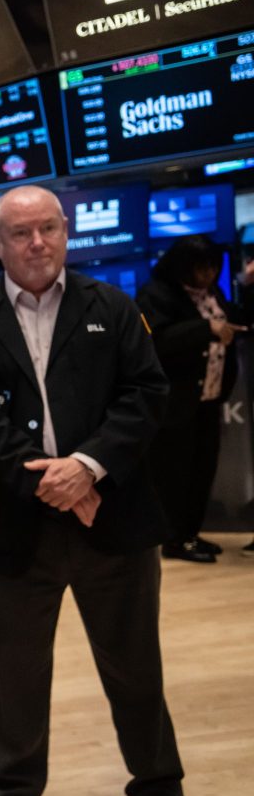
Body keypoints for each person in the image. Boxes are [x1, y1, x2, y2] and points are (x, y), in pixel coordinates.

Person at [0, 185, 213, 796]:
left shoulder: (111, 309)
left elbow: (145, 394)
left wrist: (88, 468)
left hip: (110, 520)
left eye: (48, 229)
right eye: (21, 233)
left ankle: (160, 791)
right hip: (13, 531)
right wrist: (52, 484)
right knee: (15, 677)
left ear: (67, 234)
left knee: (135, 667)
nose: (37, 243)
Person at [137, 235, 252, 562]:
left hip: (209, 400)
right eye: (202, 269)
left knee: (203, 470)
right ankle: (174, 540)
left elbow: (235, 319)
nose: (208, 275)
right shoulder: (155, 294)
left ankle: (190, 534)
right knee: (175, 474)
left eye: (213, 268)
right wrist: (206, 329)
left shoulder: (212, 293)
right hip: (174, 403)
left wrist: (247, 286)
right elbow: (154, 341)